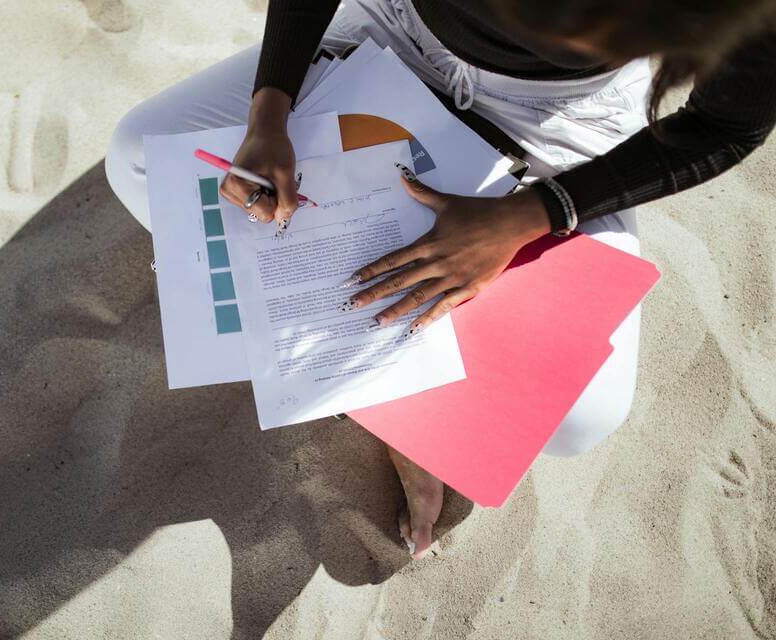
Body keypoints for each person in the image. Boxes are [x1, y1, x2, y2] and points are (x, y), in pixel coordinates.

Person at [106, 0, 776, 560]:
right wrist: (269, 110)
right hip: (396, 31)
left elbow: (727, 122)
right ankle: (388, 398)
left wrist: (532, 214)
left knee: (580, 419)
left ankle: (394, 401)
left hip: (567, 123)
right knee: (137, 156)